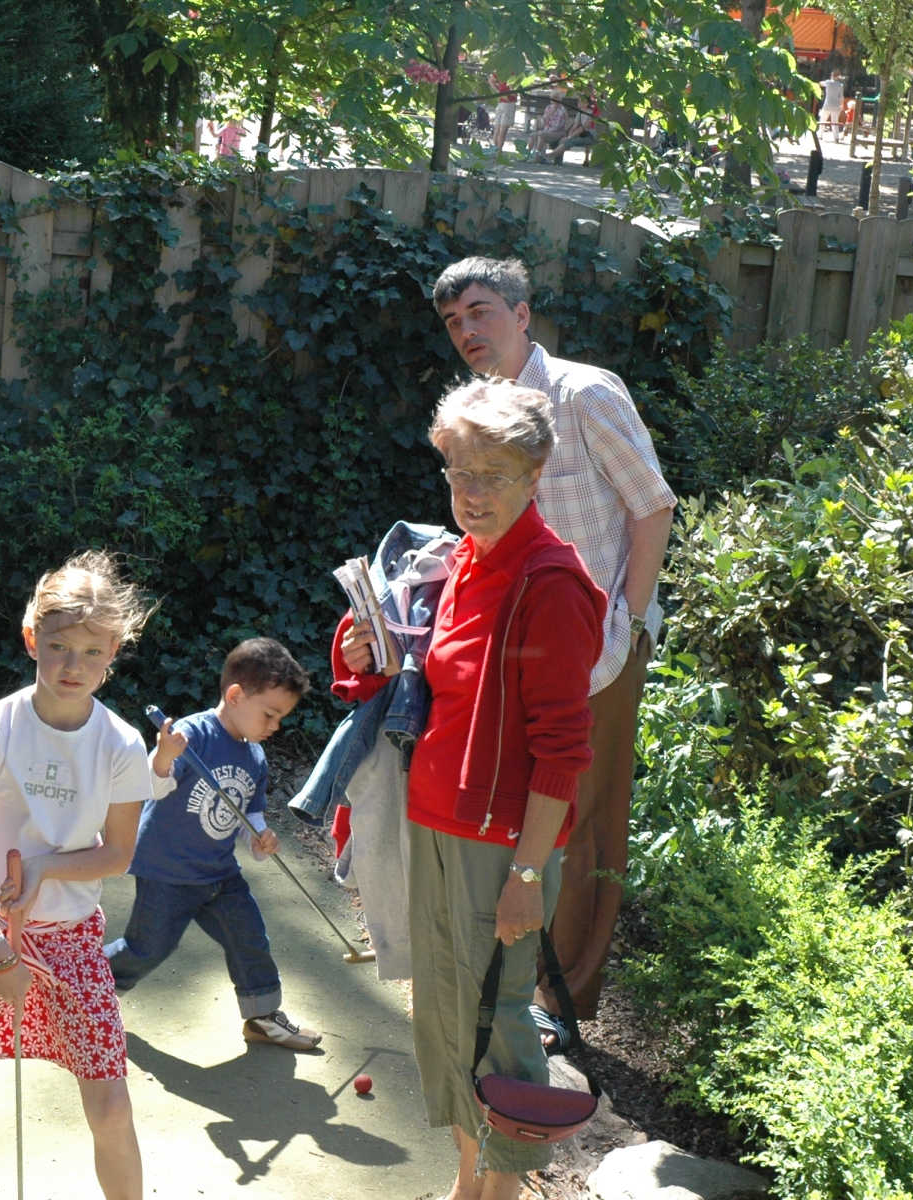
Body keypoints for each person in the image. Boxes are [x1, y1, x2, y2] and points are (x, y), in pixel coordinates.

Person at [339, 380, 606, 1197]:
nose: (473, 492)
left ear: (536, 473)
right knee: (447, 1017)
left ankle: (504, 1190)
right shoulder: (459, 562)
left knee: (497, 1018)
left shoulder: (549, 583)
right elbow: (426, 688)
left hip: (502, 845)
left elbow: (562, 750)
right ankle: (468, 1183)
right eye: (460, 471)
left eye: (494, 474)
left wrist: (527, 874)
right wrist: (364, 658)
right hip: (434, 820)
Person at [431, 258, 676, 1049]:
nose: (468, 330)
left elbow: (653, 506)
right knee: (526, 801)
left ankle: (562, 997)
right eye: (454, 322)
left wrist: (627, 620)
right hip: (517, 642)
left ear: (522, 312)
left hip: (598, 643)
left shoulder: (584, 393)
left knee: (586, 813)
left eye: (480, 311)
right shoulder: (481, 411)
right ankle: (509, 965)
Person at [0, 551, 155, 1200]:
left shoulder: (122, 744)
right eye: (59, 646)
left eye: (93, 651)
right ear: (31, 639)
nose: (74, 665)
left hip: (74, 942)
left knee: (112, 1108)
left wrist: (45, 867)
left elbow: (118, 853)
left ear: (113, 653)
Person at [106, 639, 324, 1051]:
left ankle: (262, 1016)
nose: (275, 726)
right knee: (147, 948)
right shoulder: (193, 736)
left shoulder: (255, 757)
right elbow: (152, 787)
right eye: (270, 714)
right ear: (236, 695)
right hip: (168, 871)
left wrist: (260, 838)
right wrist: (163, 756)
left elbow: (247, 816)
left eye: (281, 718)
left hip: (219, 872)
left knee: (249, 937)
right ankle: (85, 987)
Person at [491, 75, 519, 152]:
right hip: (509, 102)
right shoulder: (514, 73)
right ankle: (499, 151)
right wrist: (514, 92)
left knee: (497, 128)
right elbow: (513, 91)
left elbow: (491, 80)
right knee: (503, 130)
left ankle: (495, 150)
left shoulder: (501, 71)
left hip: (500, 101)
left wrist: (498, 90)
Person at [819, 70, 847, 140]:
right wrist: (842, 106)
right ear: (837, 77)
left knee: (823, 120)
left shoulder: (828, 82)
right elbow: (841, 97)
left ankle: (820, 135)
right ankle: (836, 137)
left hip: (827, 104)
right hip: (836, 105)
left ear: (831, 76)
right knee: (835, 122)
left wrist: (822, 83)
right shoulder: (840, 85)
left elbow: (820, 83)